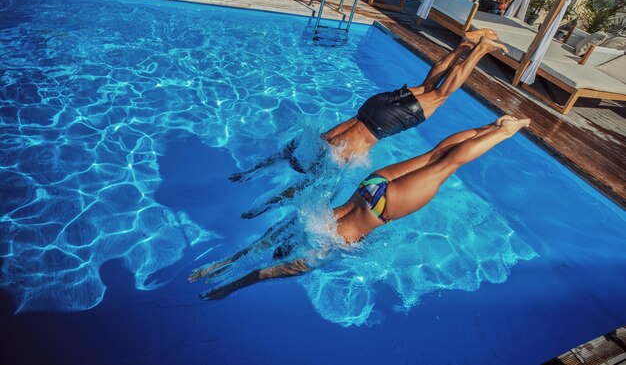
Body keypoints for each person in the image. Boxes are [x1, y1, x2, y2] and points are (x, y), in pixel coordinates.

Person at [189, 115, 531, 300]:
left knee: (446, 165)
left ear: (291, 256)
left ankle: (504, 131)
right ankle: (492, 124)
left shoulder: (312, 256)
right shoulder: (305, 222)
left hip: (383, 207)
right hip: (370, 185)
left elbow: (264, 272)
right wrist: (223, 267)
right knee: (434, 156)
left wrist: (229, 288)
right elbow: (258, 247)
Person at [230, 29, 507, 182]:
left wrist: (256, 178)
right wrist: (250, 172)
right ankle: (464, 44)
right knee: (428, 86)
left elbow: (308, 186)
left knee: (442, 94)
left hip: (383, 122)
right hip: (371, 108)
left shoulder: (329, 160)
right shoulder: (309, 141)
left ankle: (480, 48)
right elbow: (280, 155)